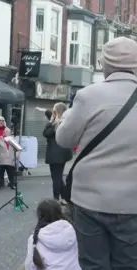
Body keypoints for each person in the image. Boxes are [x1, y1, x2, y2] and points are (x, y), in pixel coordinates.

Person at [55, 37, 137, 269]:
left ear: (104, 65)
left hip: (90, 198)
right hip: (133, 202)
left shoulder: (88, 95)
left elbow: (63, 139)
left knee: (93, 264)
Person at [24, 199, 80, 270]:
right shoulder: (71, 230)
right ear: (60, 212)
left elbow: (30, 266)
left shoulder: (34, 239)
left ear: (39, 216)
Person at [42, 103, 72, 203]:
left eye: (54, 110)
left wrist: (50, 122)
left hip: (55, 154)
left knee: (56, 178)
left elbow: (45, 133)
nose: (52, 112)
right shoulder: (66, 121)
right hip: (63, 153)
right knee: (58, 176)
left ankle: (56, 198)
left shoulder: (56, 123)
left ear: (57, 112)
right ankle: (65, 197)